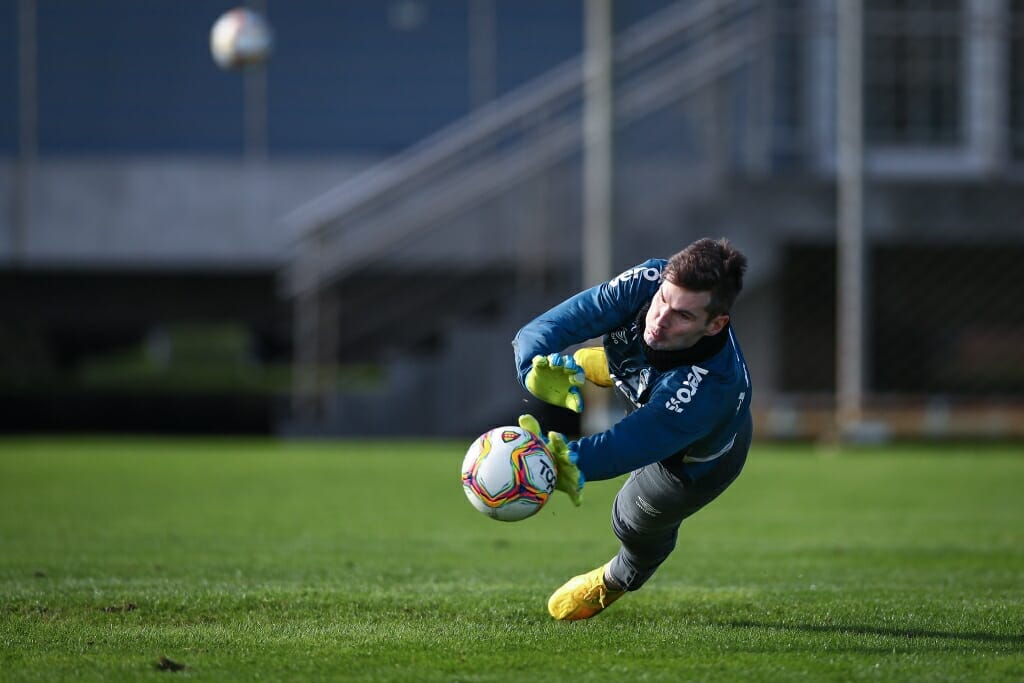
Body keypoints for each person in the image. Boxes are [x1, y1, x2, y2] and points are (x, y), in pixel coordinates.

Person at [512, 237, 752, 621]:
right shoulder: (651, 278)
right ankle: (618, 369)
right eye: (663, 300)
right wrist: (531, 367)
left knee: (630, 519)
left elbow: (626, 446)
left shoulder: (712, 388)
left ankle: (617, 579)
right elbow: (566, 319)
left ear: (715, 324)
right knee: (627, 342)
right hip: (661, 401)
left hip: (693, 462)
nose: (661, 318)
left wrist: (552, 462)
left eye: (683, 316)